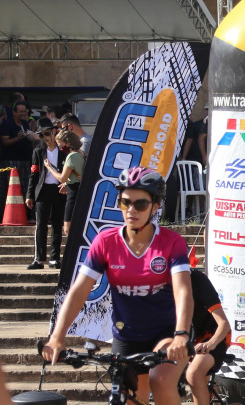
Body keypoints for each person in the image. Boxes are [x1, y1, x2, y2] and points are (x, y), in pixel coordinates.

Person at [42, 167, 192, 405]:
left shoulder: (172, 243)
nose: (131, 210)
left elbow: (183, 291)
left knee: (161, 381)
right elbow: (80, 290)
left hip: (167, 333)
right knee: (128, 398)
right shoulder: (105, 241)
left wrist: (181, 335)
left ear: (155, 206)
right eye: (125, 202)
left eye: (140, 204)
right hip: (126, 335)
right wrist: (57, 337)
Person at [25, 118, 67, 269]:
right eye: (42, 135)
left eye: (47, 133)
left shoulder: (64, 151)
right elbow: (34, 174)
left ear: (54, 132)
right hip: (42, 190)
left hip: (59, 189)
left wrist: (66, 184)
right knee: (41, 224)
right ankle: (39, 259)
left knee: (57, 224)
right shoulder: (38, 151)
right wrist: (30, 195)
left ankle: (55, 258)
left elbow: (72, 171)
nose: (46, 137)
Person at [186, 270, 231, 405]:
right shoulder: (160, 282)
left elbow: (224, 324)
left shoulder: (198, 280)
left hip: (212, 336)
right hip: (187, 339)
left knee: (193, 375)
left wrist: (211, 343)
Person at [44, 130, 84, 237]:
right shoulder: (81, 154)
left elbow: (62, 178)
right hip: (80, 192)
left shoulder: (71, 157)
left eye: (60, 144)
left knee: (68, 230)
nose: (60, 147)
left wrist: (49, 168)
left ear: (68, 143)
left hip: (72, 195)